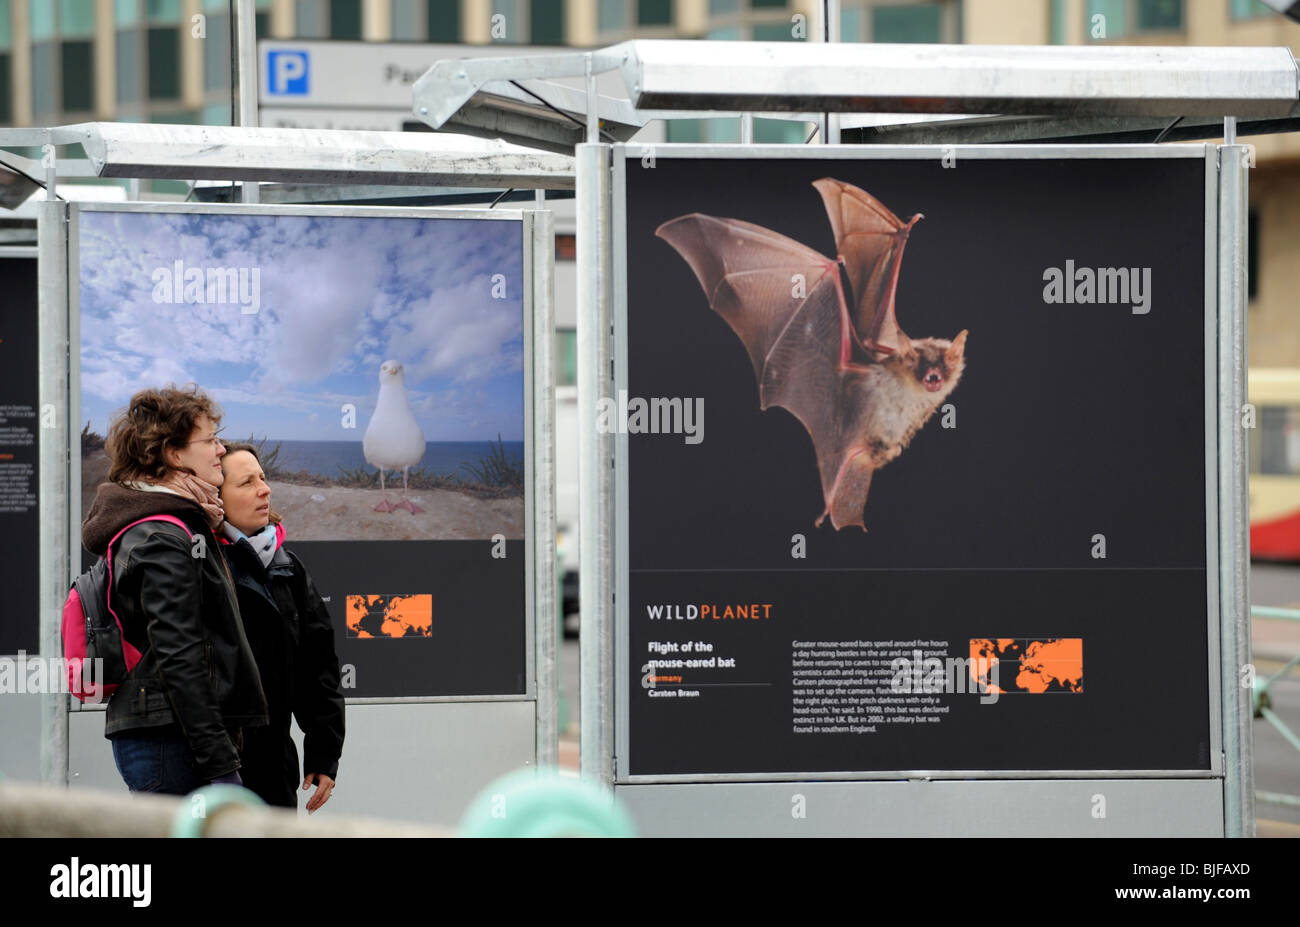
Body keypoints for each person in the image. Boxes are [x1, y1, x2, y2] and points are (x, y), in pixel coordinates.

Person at [81, 386, 267, 794]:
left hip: (169, 735)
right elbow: (179, 656)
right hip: (170, 741)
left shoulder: (170, 524)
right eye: (210, 440)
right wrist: (219, 762)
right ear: (174, 454)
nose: (221, 450)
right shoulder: (162, 535)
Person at [217, 442, 345, 811]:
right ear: (216, 497)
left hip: (275, 772)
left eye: (262, 477)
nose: (264, 489)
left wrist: (323, 754)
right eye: (246, 483)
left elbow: (318, 666)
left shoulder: (288, 566)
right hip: (213, 772)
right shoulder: (199, 563)